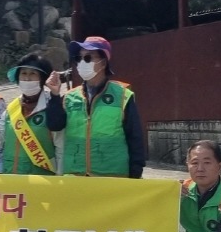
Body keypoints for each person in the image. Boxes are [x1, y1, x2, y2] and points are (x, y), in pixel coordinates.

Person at [44, 36, 145, 178]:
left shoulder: (122, 96)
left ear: (103, 63)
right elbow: (55, 125)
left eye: (88, 58)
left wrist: (136, 171)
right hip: (75, 175)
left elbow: (135, 137)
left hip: (111, 177)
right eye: (79, 58)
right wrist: (55, 95)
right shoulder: (69, 97)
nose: (81, 63)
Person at [0, 52, 62, 175]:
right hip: (11, 178)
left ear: (43, 79)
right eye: (23, 73)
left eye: (33, 74)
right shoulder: (12, 108)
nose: (27, 78)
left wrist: (60, 178)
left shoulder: (53, 106)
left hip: (42, 181)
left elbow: (61, 148)